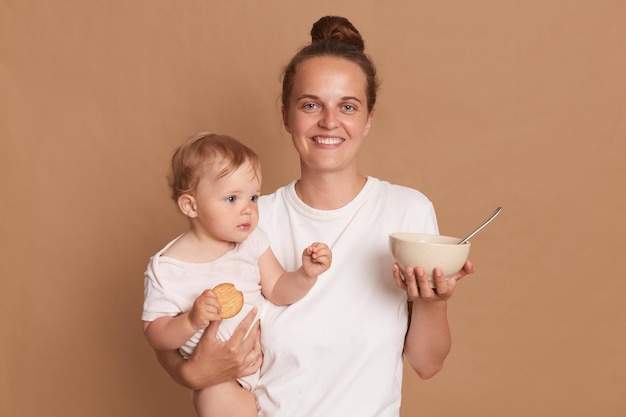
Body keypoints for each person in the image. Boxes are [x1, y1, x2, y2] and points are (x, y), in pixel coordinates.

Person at [153, 16, 475, 417]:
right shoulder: (246, 221)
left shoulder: (408, 212)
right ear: (286, 116)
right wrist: (192, 375)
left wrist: (434, 302)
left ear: (368, 119)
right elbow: (172, 319)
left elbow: (427, 364)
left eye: (348, 106)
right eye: (310, 105)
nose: (328, 122)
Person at [141, 133, 332, 417]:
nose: (248, 209)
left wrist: (305, 274)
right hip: (219, 379)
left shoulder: (251, 242)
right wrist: (191, 320)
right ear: (190, 206)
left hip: (267, 365)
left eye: (253, 197)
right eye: (231, 198)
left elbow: (278, 288)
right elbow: (155, 333)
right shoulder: (167, 269)